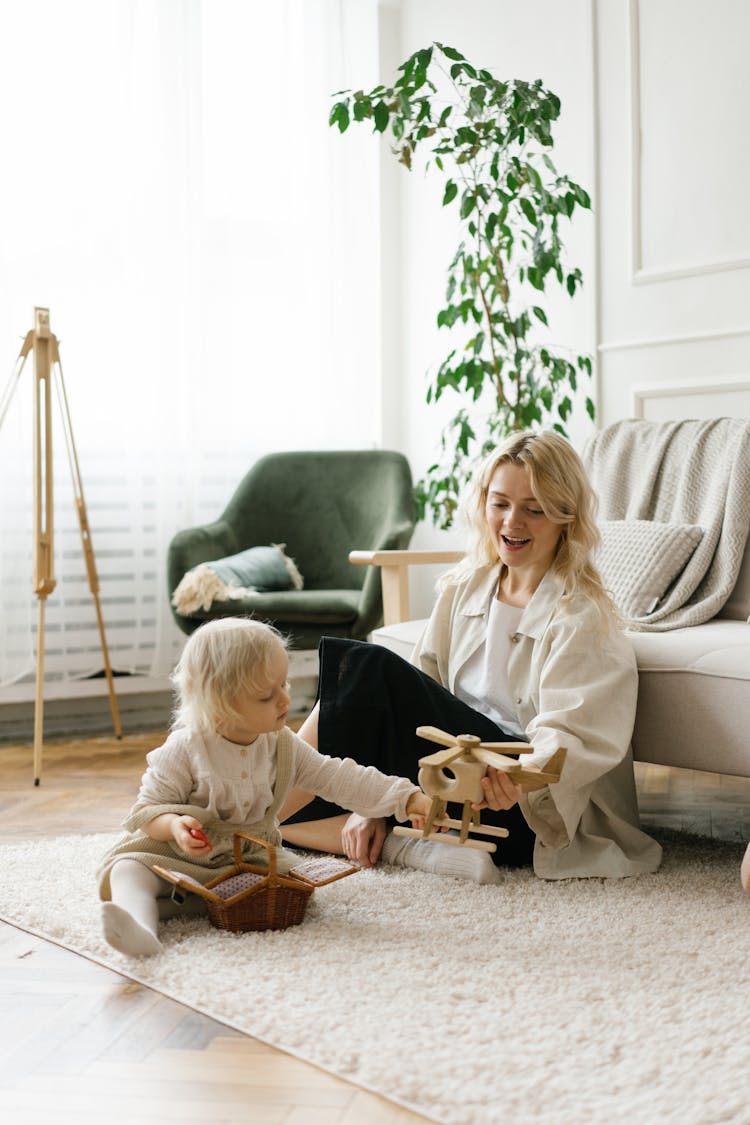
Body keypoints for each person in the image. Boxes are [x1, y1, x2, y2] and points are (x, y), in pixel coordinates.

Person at [280, 430, 663, 883]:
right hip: (445, 780)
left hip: (520, 805)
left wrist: (517, 777)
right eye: (500, 503)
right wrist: (376, 802)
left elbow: (569, 743)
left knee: (366, 666)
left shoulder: (584, 618)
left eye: (534, 509)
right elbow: (422, 691)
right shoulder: (466, 587)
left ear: (565, 517)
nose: (512, 522)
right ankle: (407, 849)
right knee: (297, 812)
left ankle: (245, 819)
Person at [97, 617, 433, 956]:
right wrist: (175, 826)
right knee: (128, 869)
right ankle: (140, 927)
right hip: (179, 855)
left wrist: (407, 798)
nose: (284, 700)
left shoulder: (281, 744)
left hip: (249, 859)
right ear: (220, 703)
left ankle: (180, 905)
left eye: (284, 685)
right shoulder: (185, 749)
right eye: (265, 696)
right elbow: (146, 811)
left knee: (295, 889)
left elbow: (339, 777)